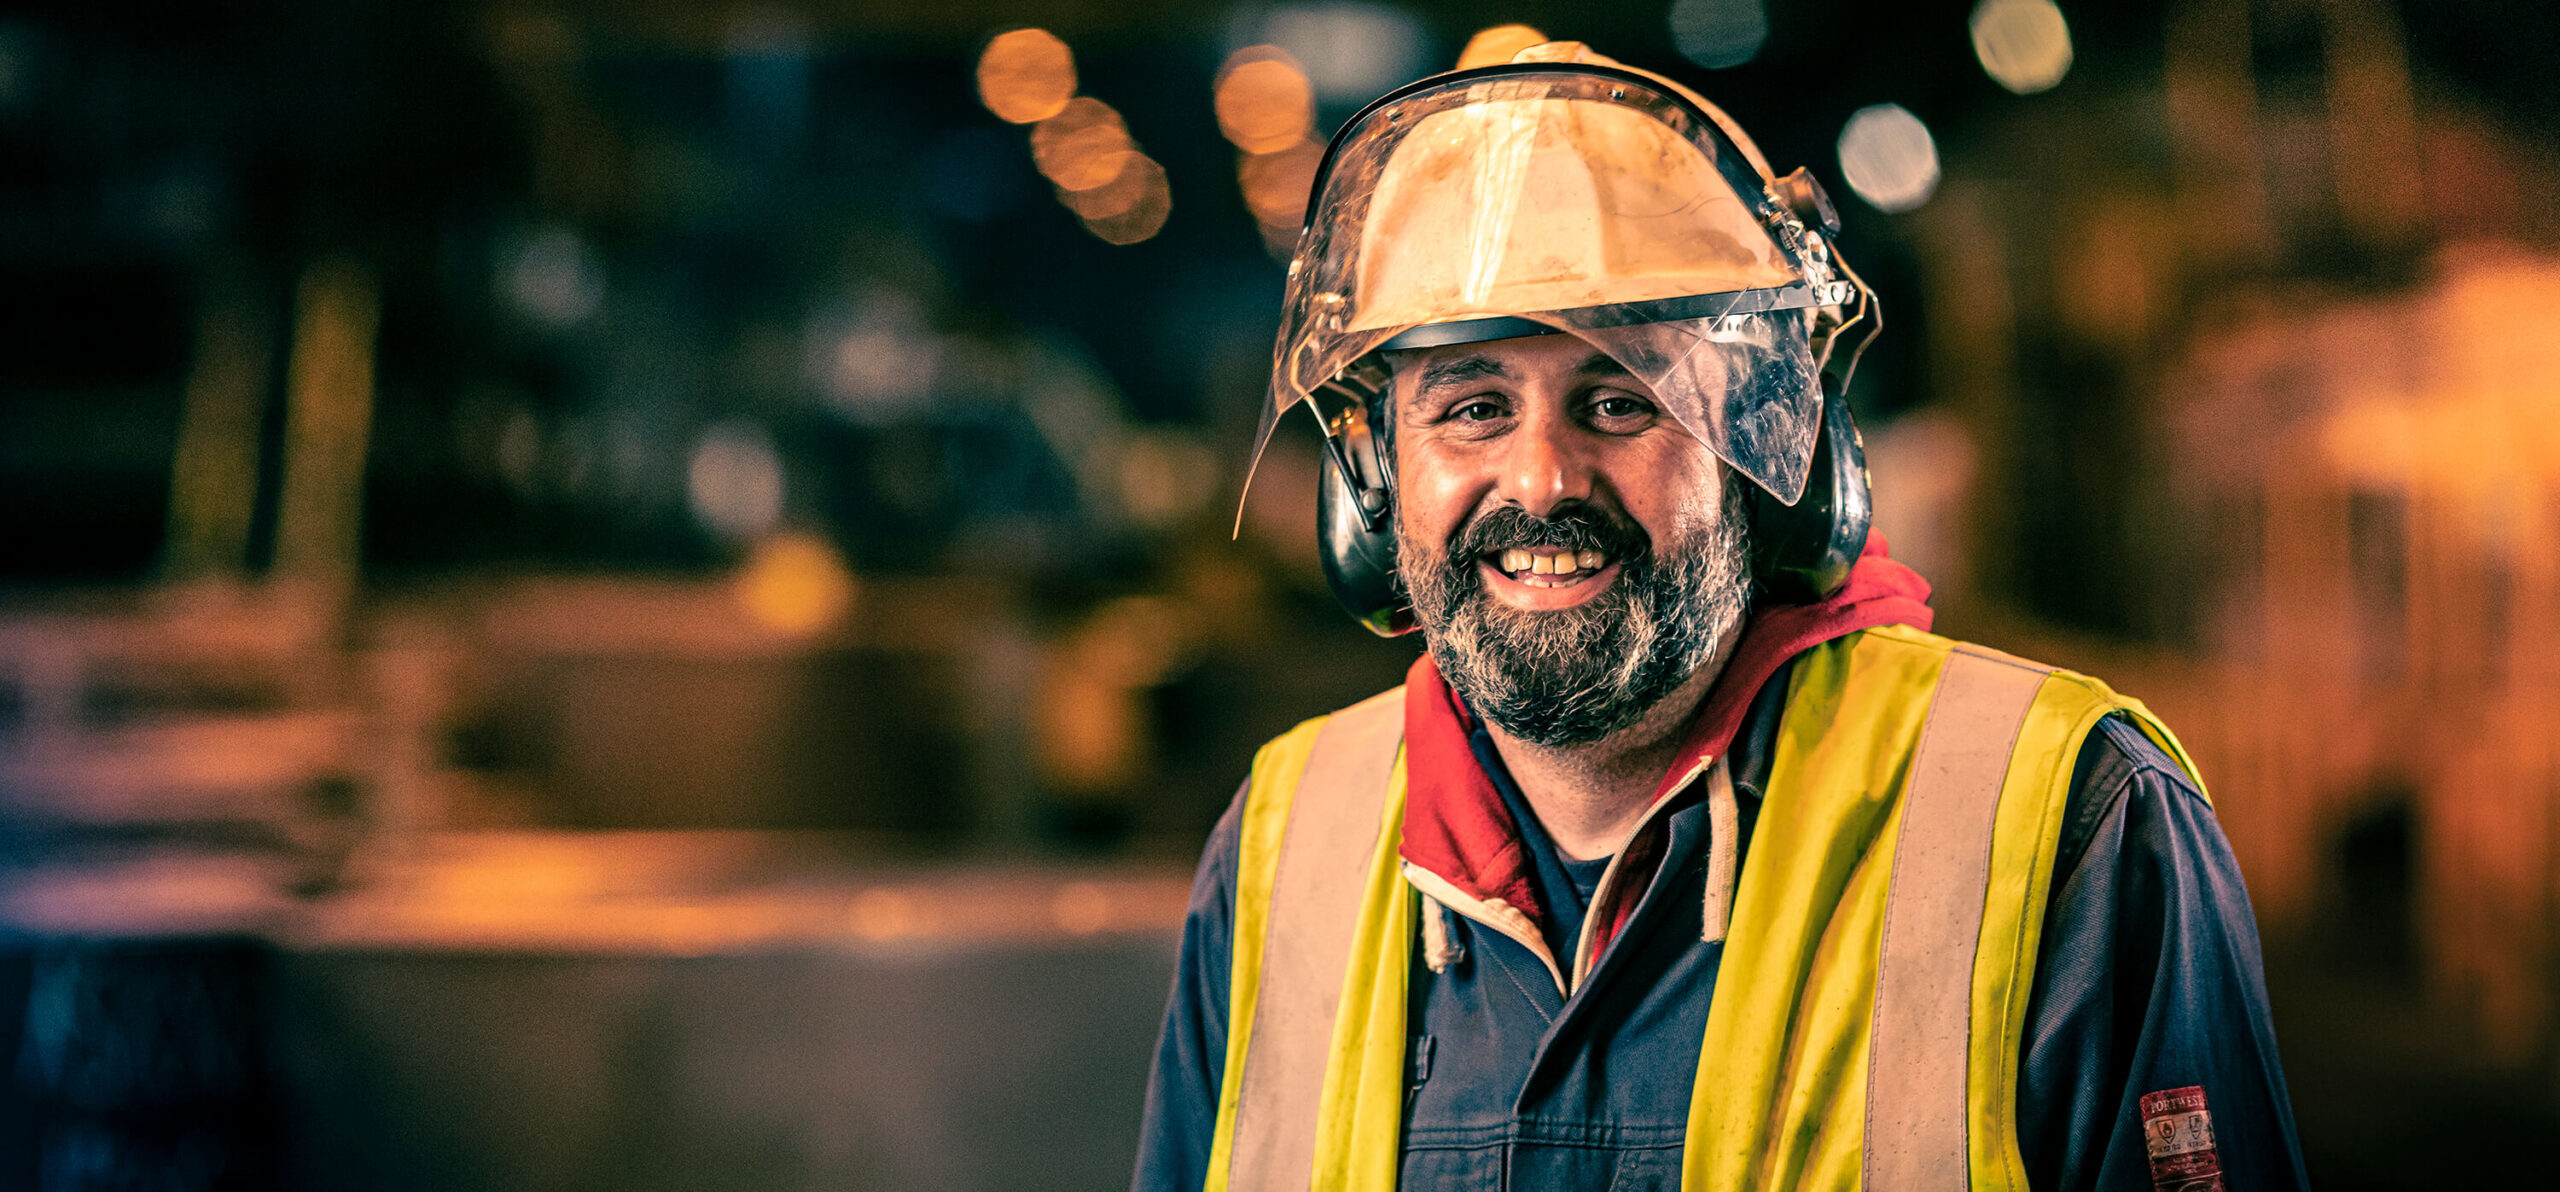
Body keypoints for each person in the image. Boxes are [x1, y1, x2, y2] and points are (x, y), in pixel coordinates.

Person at [1135, 43, 2308, 1192]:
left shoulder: (2068, 822)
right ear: (1373, 483)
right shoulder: (1281, 850)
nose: (1541, 479)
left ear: (1772, 464)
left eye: (1619, 401)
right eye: (1474, 407)